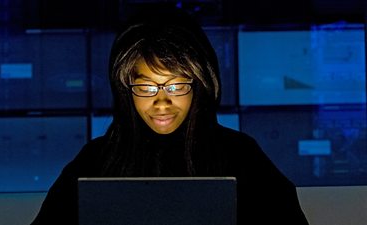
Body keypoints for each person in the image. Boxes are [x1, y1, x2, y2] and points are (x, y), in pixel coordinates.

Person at [30, 6, 309, 225]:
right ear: (125, 89)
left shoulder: (241, 156)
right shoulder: (96, 160)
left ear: (199, 86)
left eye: (176, 86)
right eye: (146, 87)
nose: (161, 102)